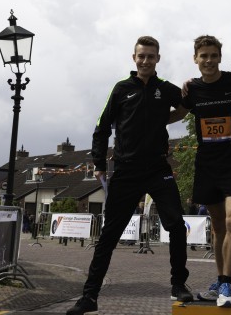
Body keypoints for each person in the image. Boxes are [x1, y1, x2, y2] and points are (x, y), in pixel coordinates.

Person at [66, 36, 192, 315]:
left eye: (151, 56)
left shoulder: (164, 88)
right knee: (109, 236)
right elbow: (101, 127)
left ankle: (178, 284)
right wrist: (99, 163)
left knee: (176, 224)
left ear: (158, 59)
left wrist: (168, 117)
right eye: (141, 56)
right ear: (134, 58)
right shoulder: (121, 89)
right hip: (126, 170)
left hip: (158, 169)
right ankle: (89, 297)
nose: (146, 61)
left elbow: (186, 106)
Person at [169, 35, 231, 307]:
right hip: (206, 165)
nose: (209, 60)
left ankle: (226, 282)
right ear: (195, 59)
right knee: (217, 227)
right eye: (204, 56)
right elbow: (177, 115)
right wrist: (142, 120)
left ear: (220, 58)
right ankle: (219, 282)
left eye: (214, 55)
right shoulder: (192, 89)